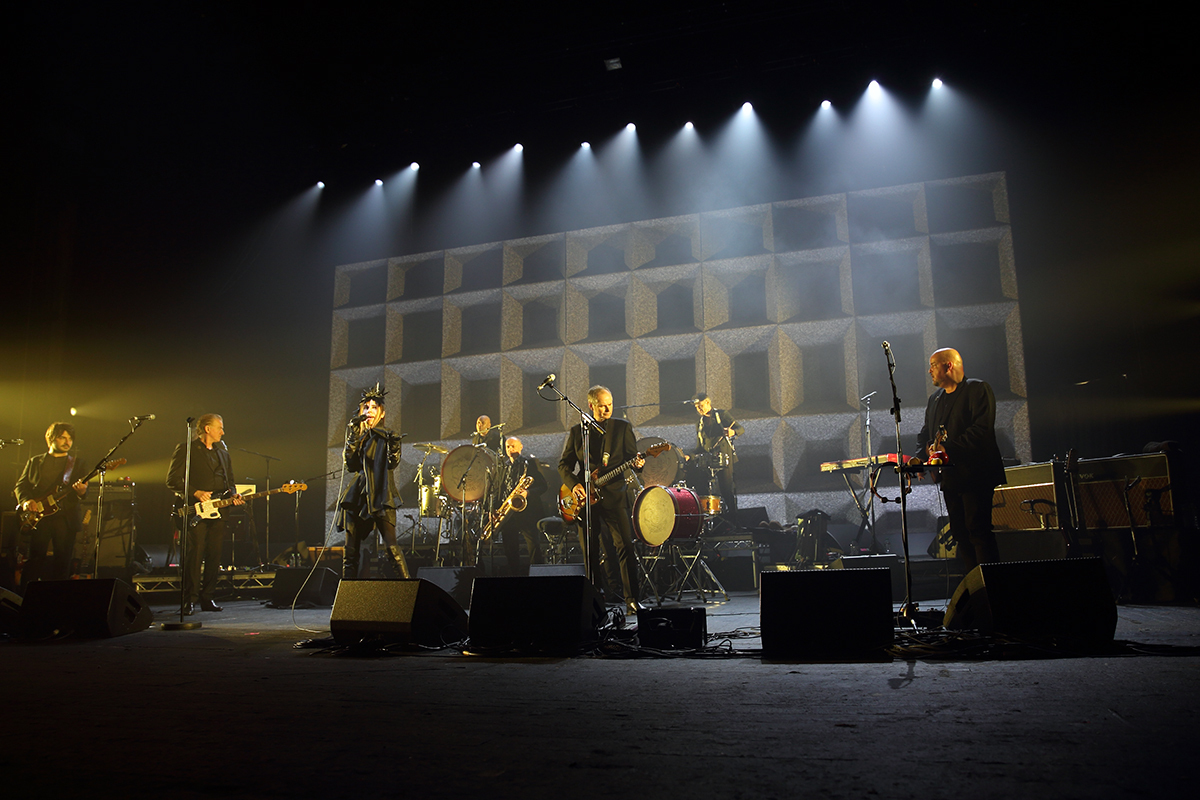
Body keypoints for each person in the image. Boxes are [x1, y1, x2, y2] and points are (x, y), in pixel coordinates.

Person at [909, 348, 1007, 572]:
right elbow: (925, 433)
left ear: (948, 366)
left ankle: (992, 585)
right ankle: (974, 586)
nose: (929, 370)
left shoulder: (977, 389)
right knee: (960, 533)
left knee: (978, 530)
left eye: (933, 365)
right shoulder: (935, 399)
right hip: (951, 477)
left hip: (976, 474)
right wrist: (920, 457)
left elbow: (981, 430)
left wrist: (946, 448)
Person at [558, 385, 644, 614]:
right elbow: (564, 464)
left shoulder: (622, 428)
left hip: (614, 496)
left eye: (610, 404)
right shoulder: (578, 432)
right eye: (602, 405)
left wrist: (638, 464)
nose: (607, 409)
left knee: (625, 545)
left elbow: (632, 459)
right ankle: (595, 604)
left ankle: (632, 600)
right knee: (590, 551)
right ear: (591, 405)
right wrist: (574, 484)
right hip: (585, 500)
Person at [167, 414, 244, 614]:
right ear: (207, 429)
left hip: (219, 511)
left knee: (214, 555)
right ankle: (188, 600)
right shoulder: (186, 449)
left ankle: (207, 598)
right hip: (196, 512)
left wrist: (234, 495)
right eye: (220, 427)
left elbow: (231, 481)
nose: (223, 432)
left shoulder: (223, 453)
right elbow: (172, 480)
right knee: (194, 554)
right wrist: (195, 492)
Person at [336, 384, 409, 580]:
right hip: (357, 494)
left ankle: (408, 591)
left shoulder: (387, 436)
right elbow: (351, 465)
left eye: (374, 407)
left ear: (381, 413)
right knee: (350, 551)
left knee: (391, 546)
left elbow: (392, 463)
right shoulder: (357, 436)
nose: (369, 411)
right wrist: (352, 437)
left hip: (381, 493)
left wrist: (394, 446)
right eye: (366, 407)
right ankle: (348, 596)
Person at [14, 422, 89, 589]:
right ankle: (25, 597)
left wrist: (82, 491)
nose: (67, 442)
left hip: (65, 518)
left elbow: (84, 492)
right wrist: (26, 500)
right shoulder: (35, 462)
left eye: (70, 438)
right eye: (62, 437)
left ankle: (57, 600)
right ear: (51, 439)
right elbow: (21, 486)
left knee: (63, 560)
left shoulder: (77, 464)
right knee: (35, 559)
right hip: (39, 518)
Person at [493, 436, 547, 577]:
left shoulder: (529, 464)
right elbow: (498, 489)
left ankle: (538, 576)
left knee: (534, 546)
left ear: (521, 447)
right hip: (508, 512)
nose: (510, 449)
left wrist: (527, 493)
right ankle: (514, 577)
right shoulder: (503, 467)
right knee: (510, 549)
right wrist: (494, 508)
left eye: (513, 446)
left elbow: (543, 486)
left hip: (527, 512)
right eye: (508, 447)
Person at [688, 392, 744, 522]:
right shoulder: (699, 423)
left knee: (726, 489)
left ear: (708, 403)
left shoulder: (722, 415)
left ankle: (734, 520)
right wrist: (689, 456)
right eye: (696, 407)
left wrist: (733, 432)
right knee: (702, 488)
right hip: (708, 461)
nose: (699, 409)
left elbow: (740, 428)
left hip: (724, 458)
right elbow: (700, 447)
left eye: (701, 405)